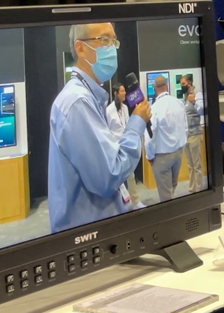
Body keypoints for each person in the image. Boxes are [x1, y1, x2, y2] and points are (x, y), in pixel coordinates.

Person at [48, 23, 150, 233]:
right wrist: (137, 123)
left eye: (114, 41)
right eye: (104, 40)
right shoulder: (78, 102)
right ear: (80, 48)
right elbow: (108, 177)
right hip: (88, 236)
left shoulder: (91, 98)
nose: (112, 48)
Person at [147, 75, 188, 202]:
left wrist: (149, 156)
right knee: (172, 187)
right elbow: (185, 127)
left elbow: (150, 136)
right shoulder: (178, 103)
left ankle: (171, 213)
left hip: (162, 156)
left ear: (155, 88)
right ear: (167, 86)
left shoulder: (154, 109)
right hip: (178, 153)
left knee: (165, 195)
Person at [180, 75, 206, 194]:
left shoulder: (197, 94)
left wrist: (194, 102)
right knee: (190, 165)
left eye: (183, 83)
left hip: (195, 134)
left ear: (189, 83)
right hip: (186, 135)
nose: (182, 86)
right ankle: (192, 189)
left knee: (197, 164)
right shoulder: (185, 96)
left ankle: (198, 189)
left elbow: (202, 110)